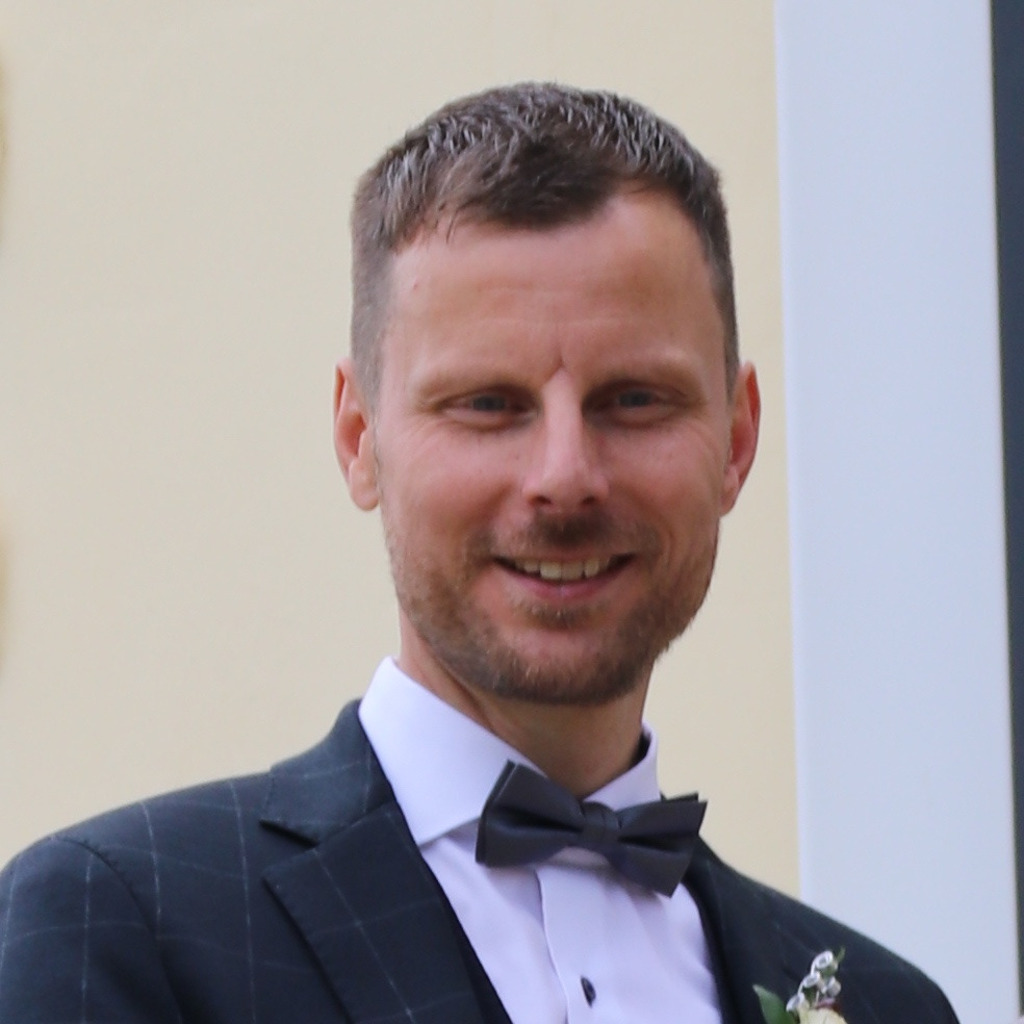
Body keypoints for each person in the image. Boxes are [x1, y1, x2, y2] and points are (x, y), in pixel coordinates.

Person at [0, 82, 958, 1024]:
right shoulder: (124, 926)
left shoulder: (890, 1008)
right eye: (488, 405)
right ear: (359, 438)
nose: (565, 478)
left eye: (634, 400)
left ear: (738, 440)